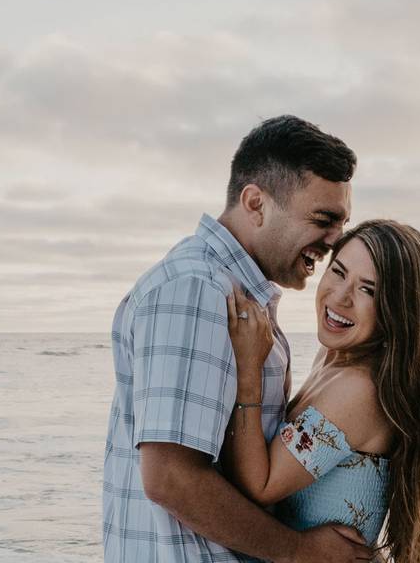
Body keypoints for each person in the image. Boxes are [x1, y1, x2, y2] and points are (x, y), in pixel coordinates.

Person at [102, 115, 372, 563]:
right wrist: (298, 551)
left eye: (341, 225)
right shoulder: (195, 289)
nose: (334, 243)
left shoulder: (238, 294)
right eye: (324, 220)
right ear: (255, 203)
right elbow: (170, 477)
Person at [222, 220, 420, 563]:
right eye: (339, 272)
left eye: (368, 290)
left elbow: (260, 486)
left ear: (396, 311)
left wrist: (247, 373)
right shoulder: (331, 358)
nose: (341, 297)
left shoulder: (360, 389)